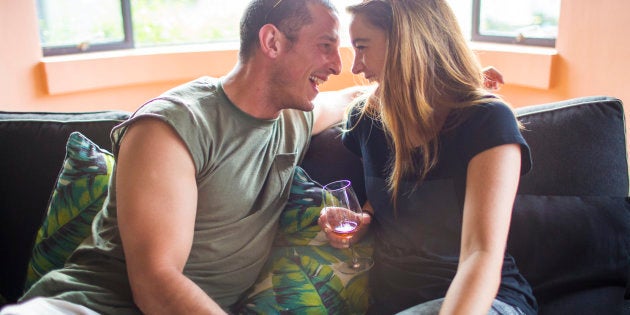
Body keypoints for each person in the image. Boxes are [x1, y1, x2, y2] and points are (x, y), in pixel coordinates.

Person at [1, 1, 351, 314]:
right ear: (272, 42)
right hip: (84, 305)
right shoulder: (172, 125)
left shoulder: (295, 117)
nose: (337, 65)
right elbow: (156, 284)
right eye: (325, 46)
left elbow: (352, 97)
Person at [319, 0, 537, 314]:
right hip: (394, 302)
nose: (355, 68)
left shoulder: (486, 121)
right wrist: (359, 222)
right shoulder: (366, 120)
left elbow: (481, 254)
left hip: (480, 301)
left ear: (407, 44)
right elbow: (384, 203)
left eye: (362, 47)